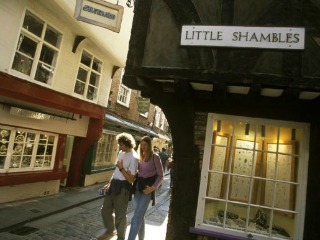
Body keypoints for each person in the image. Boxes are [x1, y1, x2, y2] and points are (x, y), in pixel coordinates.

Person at [100, 133, 139, 240]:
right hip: (114, 184)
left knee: (120, 215)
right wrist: (109, 182)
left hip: (123, 188)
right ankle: (110, 230)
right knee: (105, 210)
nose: (119, 146)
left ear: (126, 144)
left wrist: (122, 168)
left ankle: (120, 238)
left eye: (120, 144)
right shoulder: (121, 153)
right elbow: (116, 170)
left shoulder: (134, 158)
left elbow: (131, 179)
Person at [127, 136, 164, 240]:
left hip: (147, 190)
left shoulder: (155, 157)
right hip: (138, 188)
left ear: (149, 145)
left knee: (136, 217)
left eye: (145, 145)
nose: (143, 147)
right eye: (141, 145)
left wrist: (152, 188)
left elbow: (161, 176)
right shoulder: (140, 156)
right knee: (140, 215)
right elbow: (138, 172)